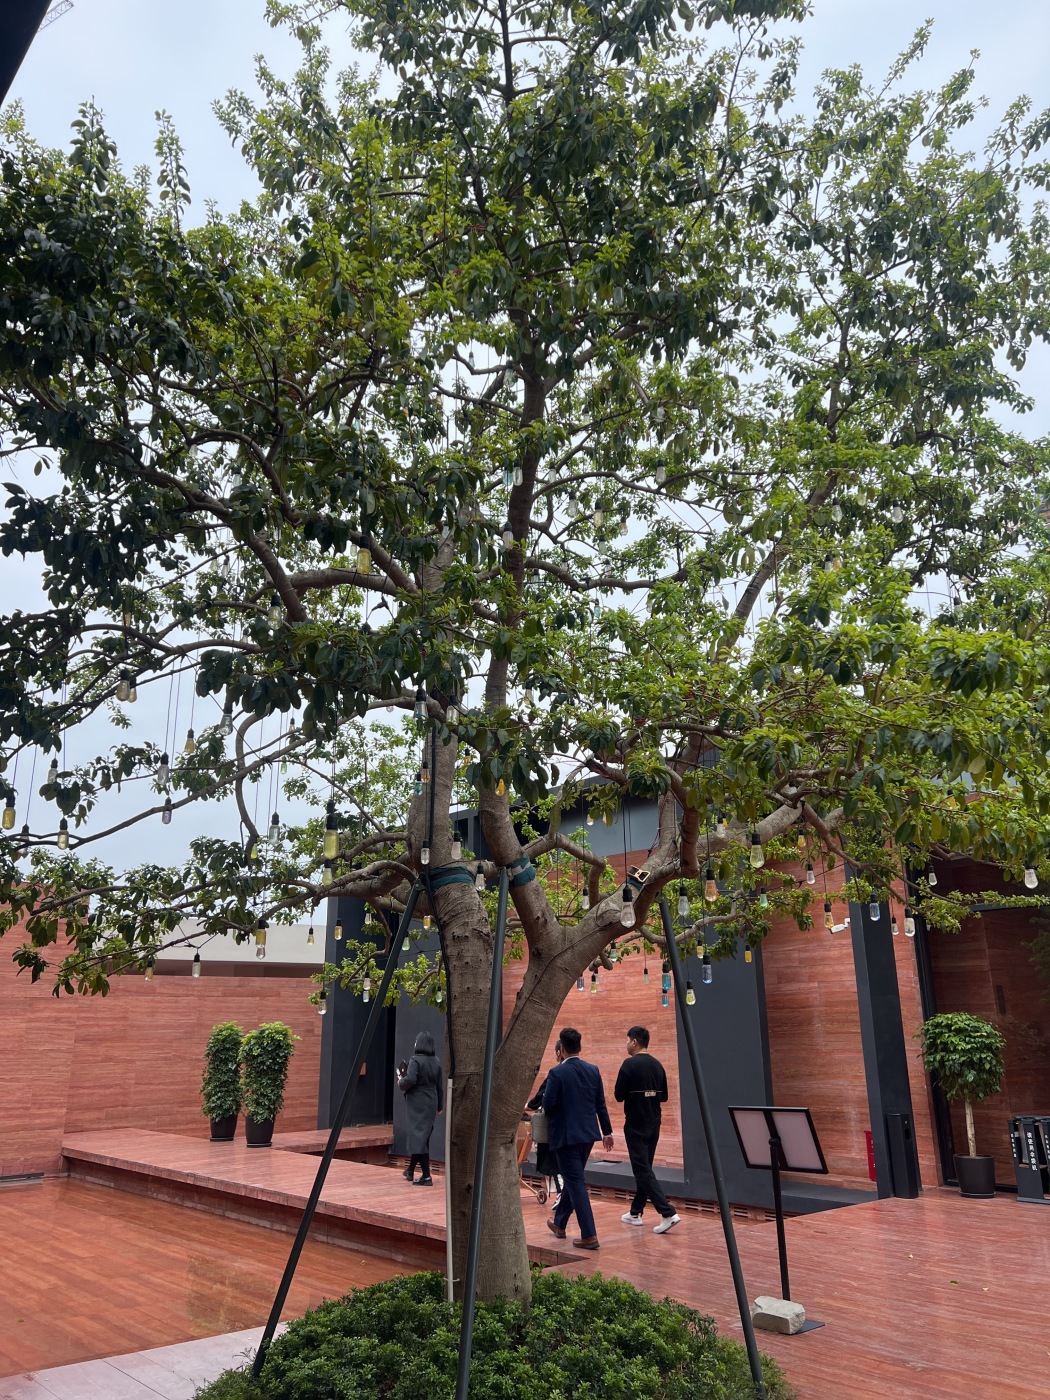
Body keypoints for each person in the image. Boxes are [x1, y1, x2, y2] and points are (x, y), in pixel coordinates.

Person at [542, 1026, 613, 1250]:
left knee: (575, 1182)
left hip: (565, 1136)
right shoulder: (593, 1070)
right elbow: (600, 1104)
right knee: (574, 1178)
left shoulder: (557, 1073)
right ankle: (560, 1223)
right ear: (579, 1047)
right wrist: (607, 1132)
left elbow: (548, 1104)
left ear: (562, 1049)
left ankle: (589, 1235)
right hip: (588, 1135)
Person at [614, 1025, 681, 1234]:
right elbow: (664, 1096)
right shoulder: (658, 1065)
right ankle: (635, 1212)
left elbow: (618, 1095)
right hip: (654, 1124)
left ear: (634, 1042)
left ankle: (667, 1213)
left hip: (636, 1124)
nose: (626, 1045)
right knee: (645, 1168)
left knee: (641, 1169)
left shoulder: (629, 1064)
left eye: (627, 1040)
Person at [398, 1030, 444, 1185]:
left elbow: (410, 1079)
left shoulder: (415, 1060)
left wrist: (400, 1082)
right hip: (431, 1101)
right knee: (422, 1137)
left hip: (417, 1102)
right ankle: (411, 1170)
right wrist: (440, 1105)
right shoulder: (436, 1061)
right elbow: (440, 1086)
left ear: (420, 1044)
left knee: (419, 1137)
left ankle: (426, 1176)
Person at [527, 1039, 565, 1202]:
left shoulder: (556, 1073)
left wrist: (530, 1105)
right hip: (580, 1129)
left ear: (559, 1052)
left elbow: (544, 1097)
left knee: (556, 1160)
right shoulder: (588, 1071)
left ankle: (561, 1194)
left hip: (558, 1126)